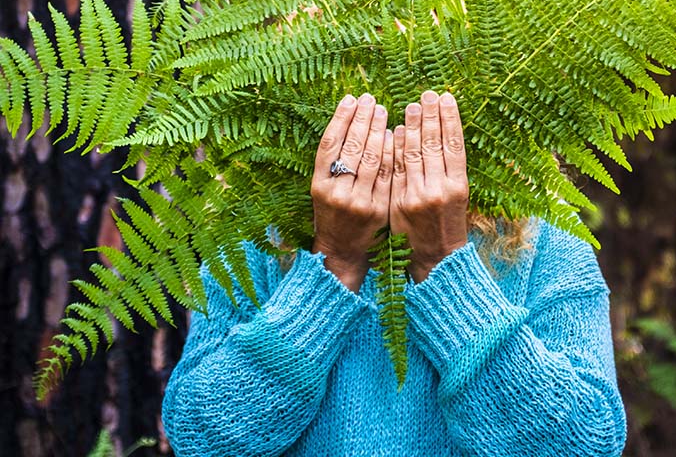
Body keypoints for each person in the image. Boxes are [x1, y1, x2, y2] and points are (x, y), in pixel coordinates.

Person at [162, 90, 627, 457]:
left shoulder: (541, 246)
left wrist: (445, 262)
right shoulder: (260, 241)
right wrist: (334, 262)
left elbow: (584, 443)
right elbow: (202, 437)